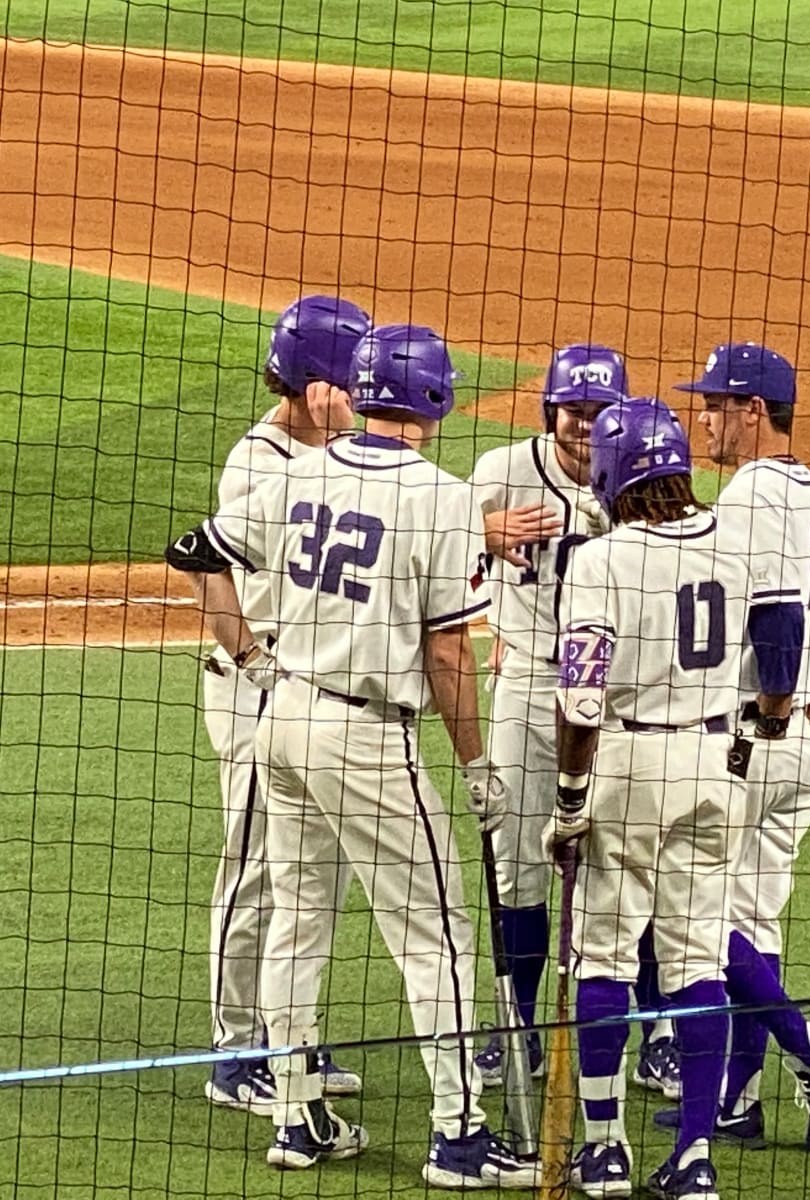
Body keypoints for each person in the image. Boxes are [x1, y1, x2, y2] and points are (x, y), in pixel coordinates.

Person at [166, 324, 536, 1186]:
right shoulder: (443, 500)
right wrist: (478, 764)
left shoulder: (298, 474)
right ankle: (459, 1136)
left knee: (298, 919)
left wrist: (250, 658)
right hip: (366, 737)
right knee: (437, 928)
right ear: (435, 401)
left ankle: (298, 1118)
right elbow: (450, 656)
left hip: (282, 719)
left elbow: (195, 549)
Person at [468, 346, 681, 1101]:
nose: (585, 426)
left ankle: (656, 1030)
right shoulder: (500, 473)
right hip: (527, 686)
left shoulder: (642, 477)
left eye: (598, 413)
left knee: (630, 867)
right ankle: (515, 1027)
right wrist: (483, 536)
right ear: (548, 411)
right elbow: (434, 567)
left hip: (622, 702)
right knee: (515, 864)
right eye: (573, 411)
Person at [673, 342, 810, 1146]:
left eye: (716, 404)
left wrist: (776, 714)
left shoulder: (750, 496)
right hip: (799, 751)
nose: (704, 418)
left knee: (701, 922)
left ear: (755, 412)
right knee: (756, 922)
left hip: (755, 741)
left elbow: (780, 620)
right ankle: (736, 1102)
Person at [199, 294, 369, 1114]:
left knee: (312, 876)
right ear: (312, 386)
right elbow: (205, 564)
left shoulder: (336, 446)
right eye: (348, 380)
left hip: (309, 694)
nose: (363, 393)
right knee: (258, 867)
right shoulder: (259, 462)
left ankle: (289, 1036)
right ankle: (237, 1053)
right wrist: (255, 662)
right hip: (254, 688)